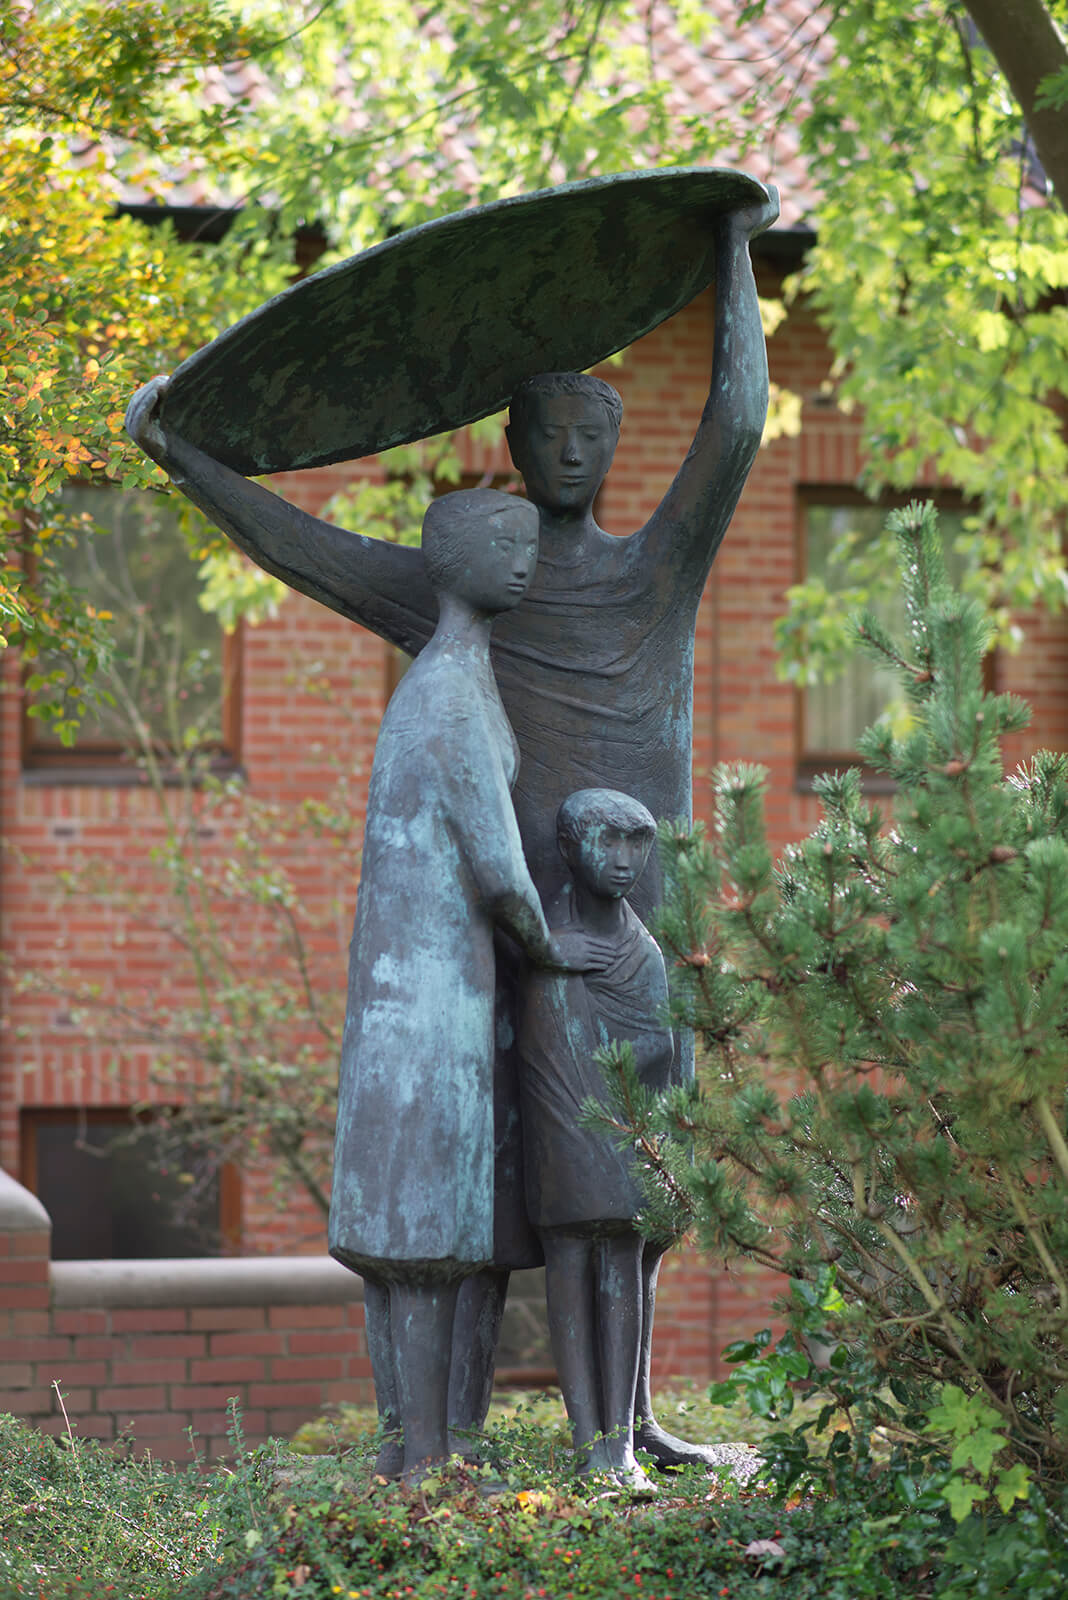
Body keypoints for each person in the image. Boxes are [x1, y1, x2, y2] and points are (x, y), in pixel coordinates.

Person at [124, 181, 779, 1470]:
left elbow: (740, 423)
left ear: (611, 438)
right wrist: (181, 454)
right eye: (543, 433)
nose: (570, 455)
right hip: (513, 931)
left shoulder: (658, 569)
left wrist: (732, 251)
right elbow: (295, 545)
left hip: (633, 911)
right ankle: (446, 1443)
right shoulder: (467, 586)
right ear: (517, 451)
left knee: (638, 1196)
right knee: (493, 1193)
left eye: (589, 430)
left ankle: (629, 1422)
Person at [325, 486, 608, 1478]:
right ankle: (427, 1453)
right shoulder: (449, 692)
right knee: (430, 1230)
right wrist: (549, 944)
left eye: (530, 540)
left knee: (434, 1228)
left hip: (422, 993)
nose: (523, 557)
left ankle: (423, 1442)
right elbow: (496, 863)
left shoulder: (450, 681)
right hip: (436, 996)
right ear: (449, 559)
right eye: (503, 541)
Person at [518, 789, 672, 1491]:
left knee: (622, 1266)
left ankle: (624, 1448)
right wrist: (548, 960)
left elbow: (656, 1049)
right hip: (561, 1135)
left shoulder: (645, 953)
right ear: (571, 848)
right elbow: (537, 1047)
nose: (623, 862)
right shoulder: (543, 941)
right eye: (608, 843)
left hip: (626, 1132)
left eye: (636, 844)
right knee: (571, 1267)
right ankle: (593, 1445)